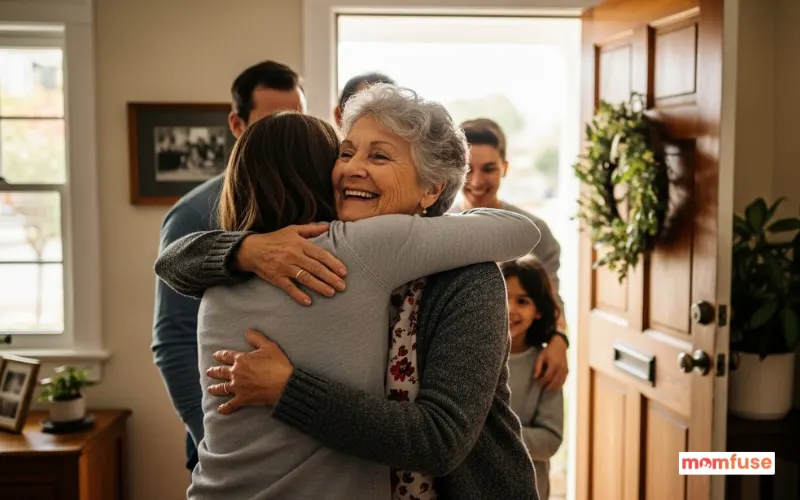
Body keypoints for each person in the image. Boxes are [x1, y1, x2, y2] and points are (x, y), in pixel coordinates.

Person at [155, 84, 541, 499]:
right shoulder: (299, 253)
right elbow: (172, 263)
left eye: (378, 155)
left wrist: (289, 388)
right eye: (346, 152)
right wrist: (244, 250)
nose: (352, 168)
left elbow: (441, 440)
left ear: (430, 189)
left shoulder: (468, 279)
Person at [151, 60, 315, 471]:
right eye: (270, 123)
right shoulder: (193, 214)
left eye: (295, 120)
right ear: (237, 125)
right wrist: (210, 438)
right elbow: (174, 340)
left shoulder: (320, 206)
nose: (284, 136)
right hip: (226, 441)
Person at [451, 118, 569, 391]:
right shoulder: (436, 226)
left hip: (517, 367)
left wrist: (560, 339)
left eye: (489, 169)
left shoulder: (534, 231)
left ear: (505, 168)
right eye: (468, 169)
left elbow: (551, 297)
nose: (477, 181)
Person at [501, 255, 564, 500]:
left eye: (523, 301)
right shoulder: (474, 356)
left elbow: (550, 440)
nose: (510, 309)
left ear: (538, 310)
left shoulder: (547, 366)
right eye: (503, 297)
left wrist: (494, 434)